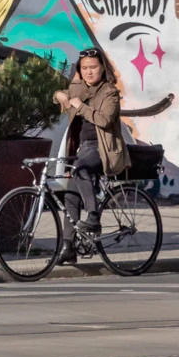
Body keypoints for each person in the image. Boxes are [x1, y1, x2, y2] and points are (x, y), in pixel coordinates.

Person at [51, 49, 131, 240]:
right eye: (85, 68)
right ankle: (68, 247)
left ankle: (93, 217)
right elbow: (61, 93)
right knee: (70, 195)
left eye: (93, 67)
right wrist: (59, 95)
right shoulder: (78, 87)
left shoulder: (110, 92)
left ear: (102, 67)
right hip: (83, 146)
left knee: (82, 170)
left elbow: (104, 120)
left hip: (104, 147)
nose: (89, 72)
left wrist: (81, 106)